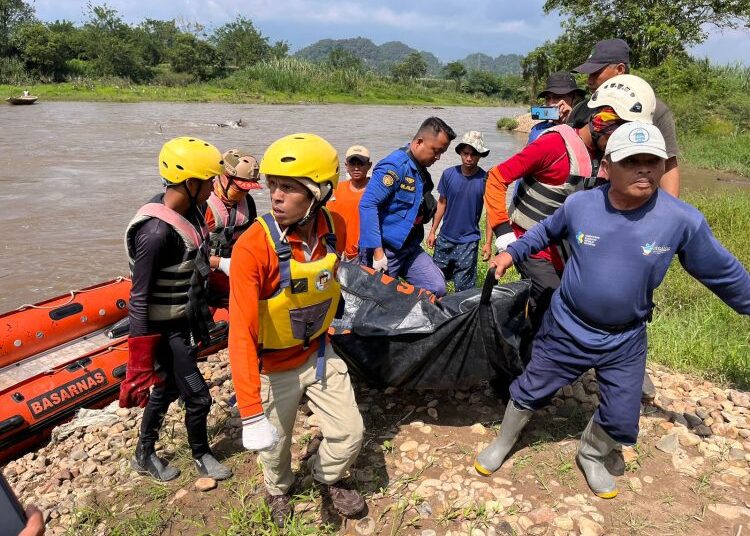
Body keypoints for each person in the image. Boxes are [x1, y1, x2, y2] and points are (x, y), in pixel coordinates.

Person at [474, 121, 750, 499]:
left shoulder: (681, 221)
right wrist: (511, 251)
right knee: (530, 389)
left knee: (622, 417)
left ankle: (591, 452)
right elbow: (543, 232)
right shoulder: (580, 204)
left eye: (652, 161)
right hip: (568, 325)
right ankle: (504, 442)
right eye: (632, 161)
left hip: (625, 337)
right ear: (606, 167)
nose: (644, 169)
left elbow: (723, 273)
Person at [228, 133, 366, 527]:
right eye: (273, 185)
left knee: (350, 433)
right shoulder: (253, 246)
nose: (276, 196)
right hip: (272, 367)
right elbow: (239, 333)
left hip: (319, 354)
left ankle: (328, 476)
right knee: (274, 447)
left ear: (319, 193)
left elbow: (337, 276)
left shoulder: (335, 226)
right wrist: (251, 412)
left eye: (289, 188)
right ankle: (277, 487)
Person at [485, 74, 656, 339]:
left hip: (568, 249)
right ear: (600, 121)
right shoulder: (552, 144)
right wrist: (503, 234)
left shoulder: (608, 159)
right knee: (553, 302)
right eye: (618, 134)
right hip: (530, 242)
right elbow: (496, 177)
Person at [121, 136, 232, 482]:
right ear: (190, 183)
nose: (214, 187)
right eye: (210, 181)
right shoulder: (154, 233)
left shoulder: (193, 211)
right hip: (163, 330)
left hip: (185, 320)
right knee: (198, 397)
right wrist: (139, 361)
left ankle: (144, 452)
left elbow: (197, 263)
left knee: (168, 387)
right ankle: (201, 453)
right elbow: (139, 298)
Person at [567, 38, 680, 197]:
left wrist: (671, 213)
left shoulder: (654, 110)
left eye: (595, 73)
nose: (589, 80)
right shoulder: (581, 109)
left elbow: (668, 167)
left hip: (635, 205)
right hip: (586, 201)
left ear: (619, 69)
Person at [359, 117, 456, 297]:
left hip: (409, 248)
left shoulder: (421, 171)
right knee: (373, 299)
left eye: (442, 152)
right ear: (419, 142)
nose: (438, 157)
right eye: (436, 151)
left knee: (437, 287)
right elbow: (367, 205)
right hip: (385, 250)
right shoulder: (395, 166)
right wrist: (378, 253)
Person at [427, 131, 490, 292]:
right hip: (445, 238)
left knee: (464, 288)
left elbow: (491, 213)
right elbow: (442, 203)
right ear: (460, 153)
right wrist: (433, 231)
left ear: (480, 155)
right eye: (466, 153)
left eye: (474, 154)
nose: (469, 158)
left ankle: (461, 315)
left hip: (469, 242)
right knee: (435, 282)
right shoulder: (448, 174)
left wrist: (488, 243)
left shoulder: (485, 179)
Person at [204, 149, 260, 307]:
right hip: (203, 272)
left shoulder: (248, 203)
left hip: (231, 271)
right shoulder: (204, 206)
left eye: (247, 189)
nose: (244, 193)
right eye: (240, 188)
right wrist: (220, 263)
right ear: (223, 177)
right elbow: (186, 255)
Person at [327, 144, 372, 262]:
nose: (356, 168)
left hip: (364, 254)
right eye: (352, 163)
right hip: (336, 254)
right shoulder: (335, 191)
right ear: (346, 166)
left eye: (361, 163)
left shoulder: (375, 191)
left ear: (369, 166)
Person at [528, 72, 586, 143]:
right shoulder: (538, 130)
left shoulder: (585, 126)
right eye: (548, 98)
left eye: (558, 97)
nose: (551, 103)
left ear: (574, 98)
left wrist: (571, 119)